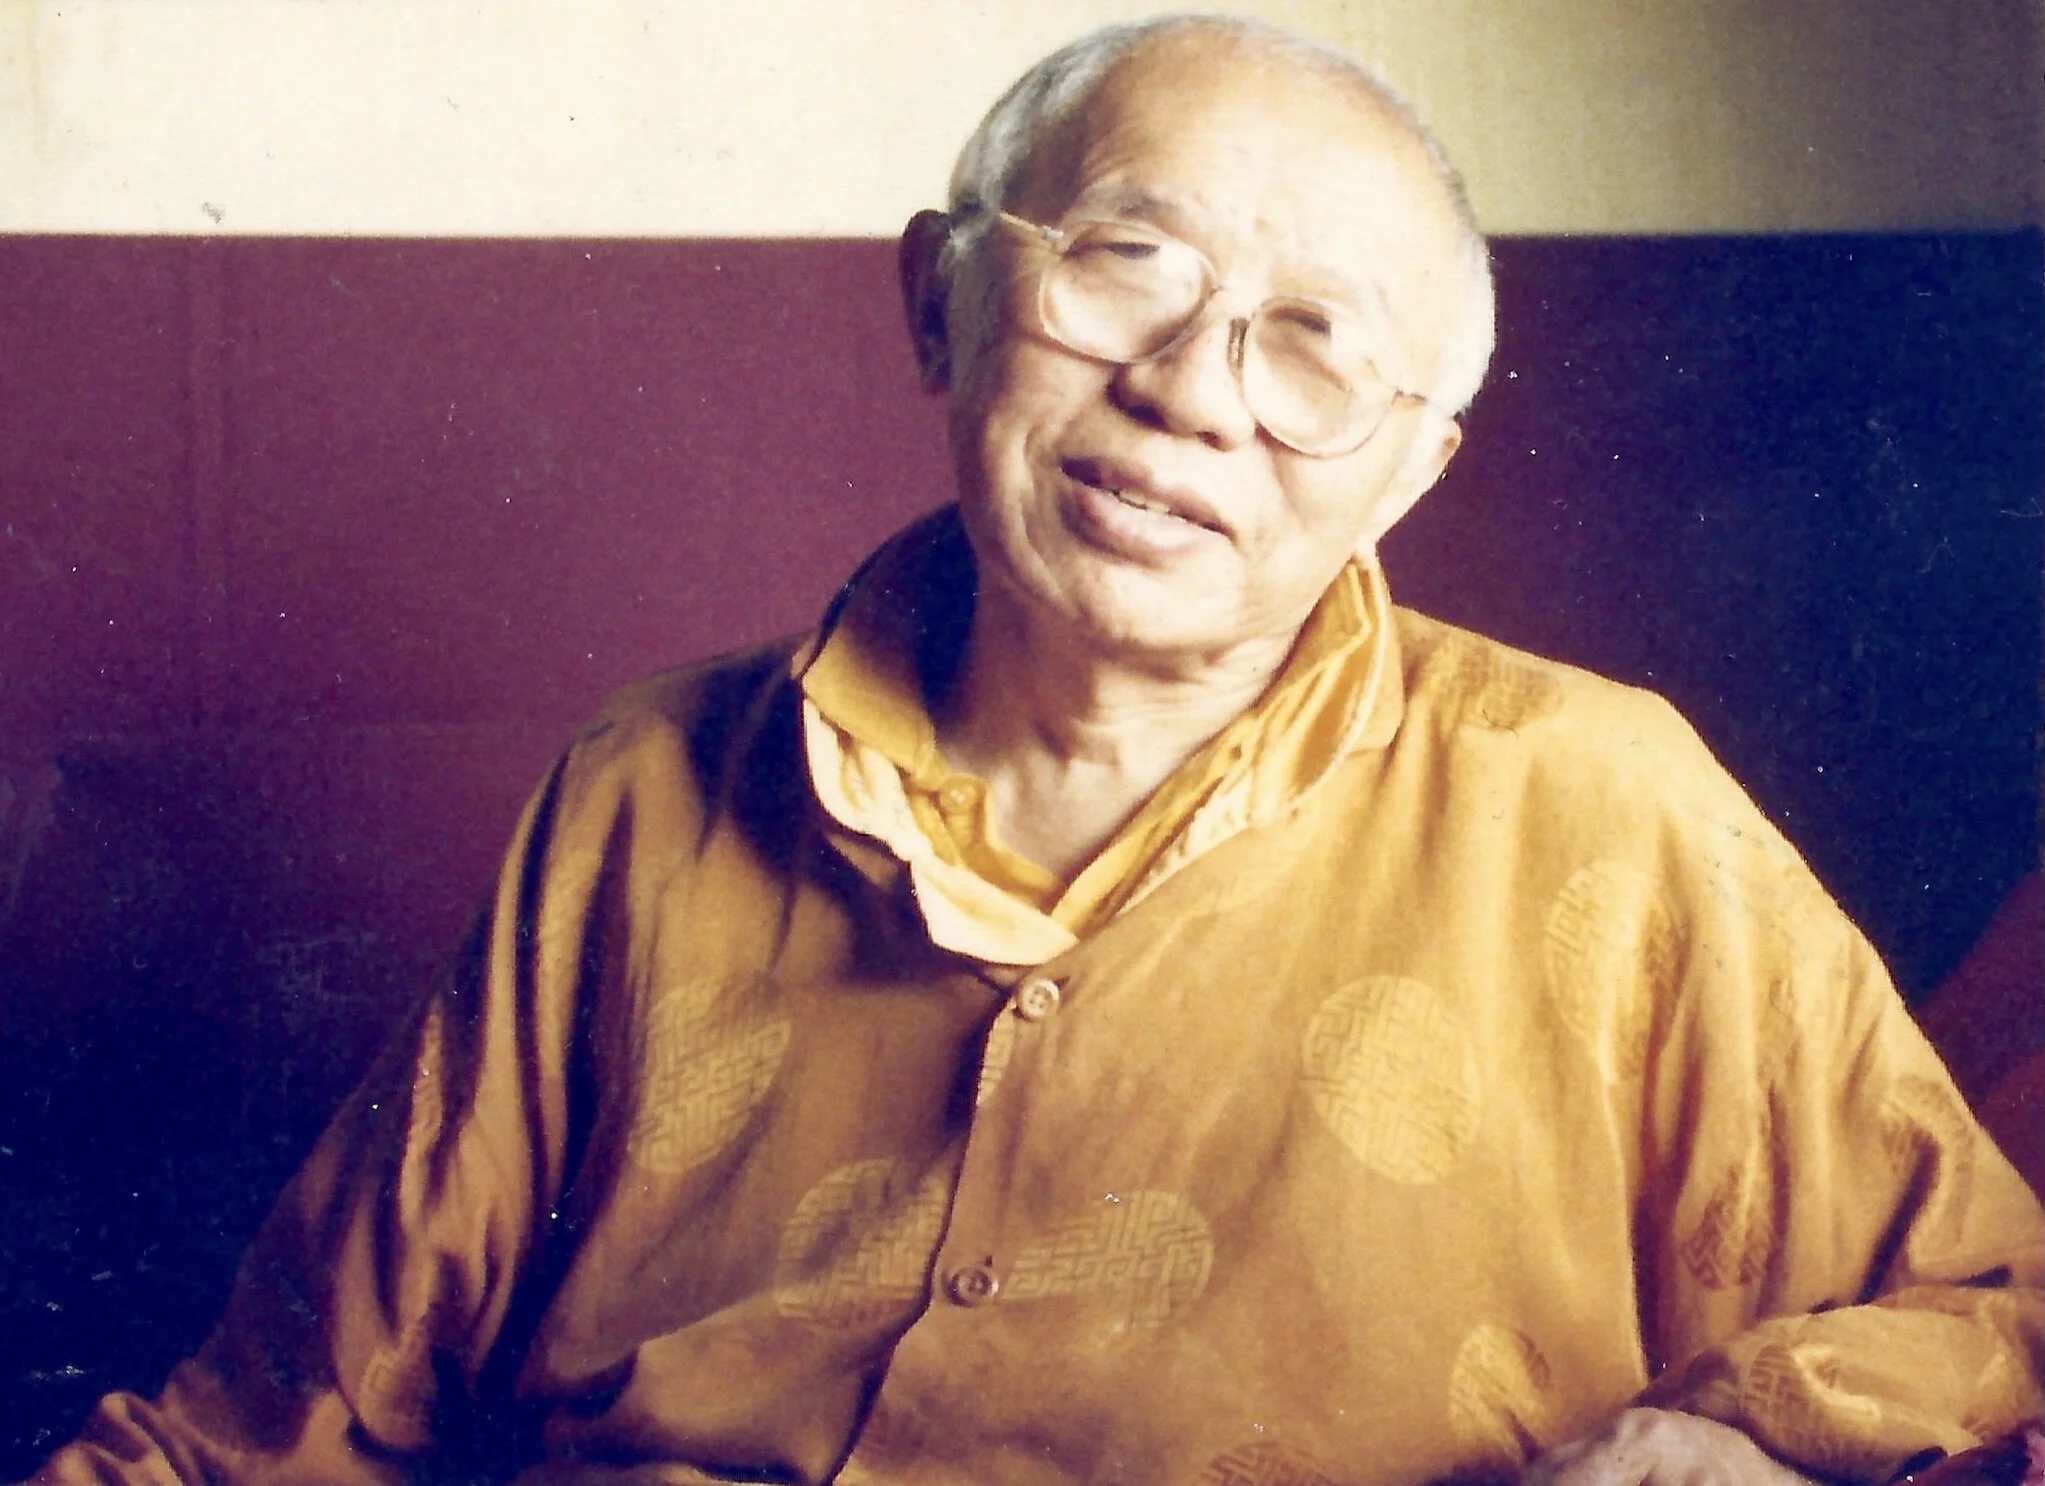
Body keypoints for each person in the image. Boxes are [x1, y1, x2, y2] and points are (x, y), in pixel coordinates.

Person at [31, 15, 2043, 1485]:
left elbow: (1987, 1298)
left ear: (1407, 472)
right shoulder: (642, 792)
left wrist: (1724, 1438)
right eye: (1120, 262)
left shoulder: (1596, 802)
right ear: (939, 301)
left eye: (1314, 341)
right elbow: (268, 1430)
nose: (1186, 389)